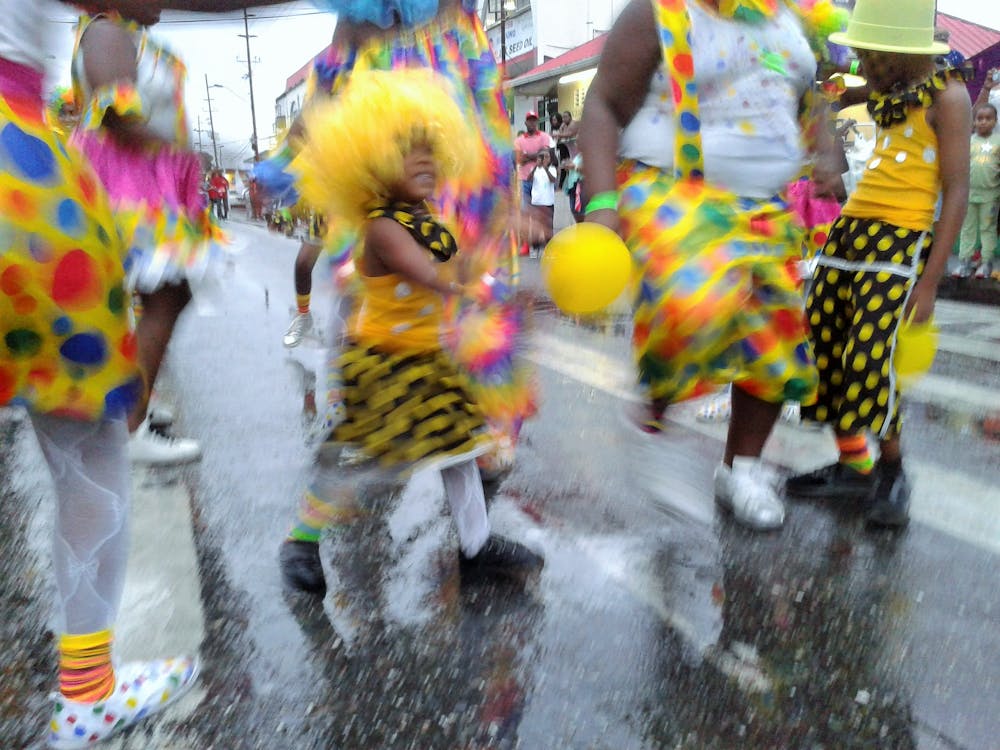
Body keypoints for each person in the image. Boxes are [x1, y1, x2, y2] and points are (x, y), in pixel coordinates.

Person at [579, 0, 847, 530]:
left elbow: (814, 103)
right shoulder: (657, 12)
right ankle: (651, 421)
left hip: (766, 205)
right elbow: (603, 105)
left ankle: (740, 471)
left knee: (775, 349)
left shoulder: (797, 22)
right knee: (696, 303)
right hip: (675, 191)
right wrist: (602, 204)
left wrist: (829, 152)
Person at [277, 69, 542, 595]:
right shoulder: (383, 227)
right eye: (405, 150)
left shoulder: (421, 218)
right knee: (363, 462)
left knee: (460, 453)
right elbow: (440, 278)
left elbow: (460, 265)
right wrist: (484, 272)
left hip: (428, 359)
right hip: (382, 364)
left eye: (429, 149)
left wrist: (494, 236)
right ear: (371, 159)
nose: (423, 160)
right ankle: (302, 540)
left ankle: (476, 546)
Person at [260, 0, 536, 474]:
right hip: (382, 158)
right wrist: (290, 155)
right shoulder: (361, 17)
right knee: (370, 289)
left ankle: (480, 422)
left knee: (474, 288)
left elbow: (487, 103)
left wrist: (504, 194)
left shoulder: (460, 21)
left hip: (460, 162)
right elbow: (330, 84)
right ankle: (361, 412)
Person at [787, 0, 971, 528]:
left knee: (871, 357)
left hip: (899, 241)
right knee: (824, 341)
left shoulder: (951, 97)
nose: (861, 61)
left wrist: (930, 283)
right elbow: (837, 93)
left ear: (898, 52)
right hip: (850, 231)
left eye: (869, 53)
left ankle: (892, 473)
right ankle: (853, 465)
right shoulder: (892, 88)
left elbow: (956, 191)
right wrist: (826, 92)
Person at [952, 103, 1000, 279]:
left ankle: (986, 263)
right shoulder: (969, 141)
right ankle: (965, 262)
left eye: (988, 119)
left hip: (991, 196)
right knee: (967, 228)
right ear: (973, 122)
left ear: (995, 121)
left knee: (988, 229)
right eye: (979, 119)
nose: (983, 122)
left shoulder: (998, 141)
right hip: (969, 195)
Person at [514, 111, 554, 206]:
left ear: (537, 122)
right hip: (525, 180)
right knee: (526, 211)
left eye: (534, 120)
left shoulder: (544, 137)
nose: (532, 123)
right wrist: (537, 155)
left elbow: (545, 155)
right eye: (529, 120)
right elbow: (520, 160)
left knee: (540, 211)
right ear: (525, 123)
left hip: (541, 179)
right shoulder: (519, 140)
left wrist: (527, 155)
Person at [528, 149, 557, 256]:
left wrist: (545, 168)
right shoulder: (534, 169)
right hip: (536, 202)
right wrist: (536, 166)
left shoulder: (552, 169)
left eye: (547, 157)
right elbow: (528, 179)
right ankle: (535, 249)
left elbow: (553, 180)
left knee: (548, 227)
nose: (545, 159)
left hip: (548, 202)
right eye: (542, 156)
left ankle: (548, 249)